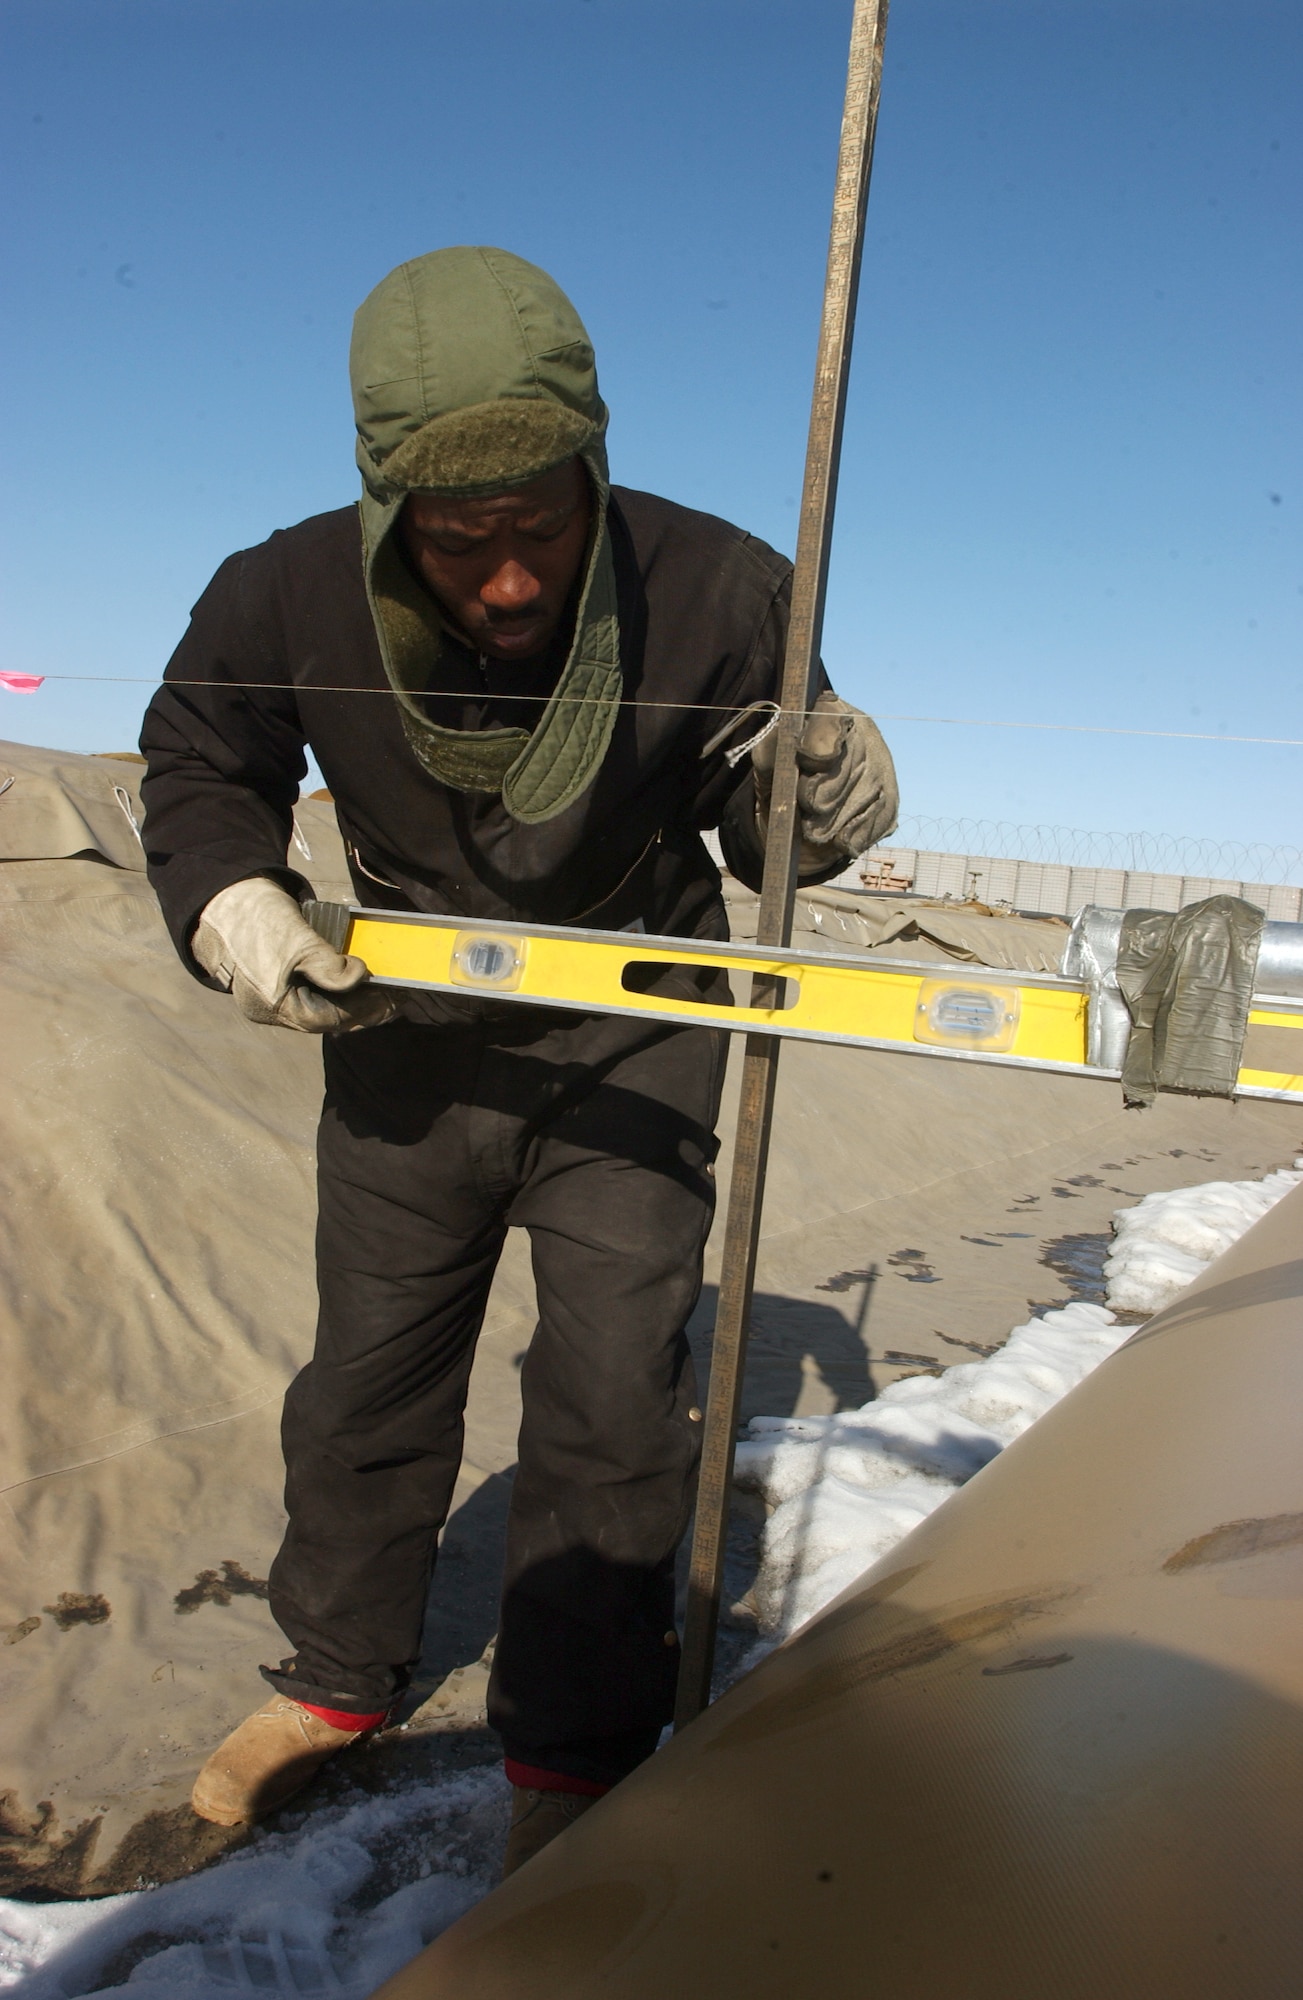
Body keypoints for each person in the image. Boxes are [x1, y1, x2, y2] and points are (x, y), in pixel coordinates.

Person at [140, 246, 897, 1875]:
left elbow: (771, 823)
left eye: (538, 532)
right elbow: (202, 756)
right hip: (406, 1039)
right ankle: (340, 1678)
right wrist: (233, 898)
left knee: (614, 1395)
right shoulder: (280, 593)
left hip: (633, 1039)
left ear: (592, 462)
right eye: (456, 541)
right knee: (370, 1373)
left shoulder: (725, 588)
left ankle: (572, 1752)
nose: (501, 581)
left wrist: (814, 806)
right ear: (382, 499)